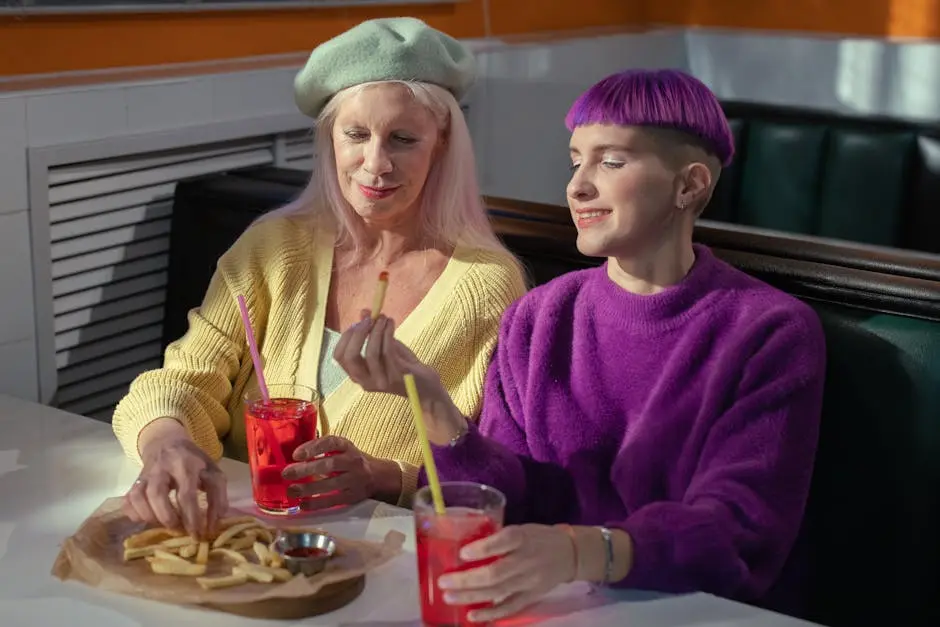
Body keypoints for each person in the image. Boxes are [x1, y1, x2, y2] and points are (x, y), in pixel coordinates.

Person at [335, 68, 827, 621]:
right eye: (575, 161)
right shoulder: (538, 317)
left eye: (610, 162)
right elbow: (507, 497)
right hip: (552, 608)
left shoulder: (770, 331)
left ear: (689, 185)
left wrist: (578, 550)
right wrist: (428, 399)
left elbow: (739, 531)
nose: (577, 186)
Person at [112, 17, 527, 539]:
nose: (375, 164)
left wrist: (384, 478)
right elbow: (183, 382)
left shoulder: (487, 286)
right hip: (245, 541)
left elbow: (498, 469)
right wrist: (168, 444)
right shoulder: (272, 249)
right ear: (329, 137)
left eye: (402, 139)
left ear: (440, 143)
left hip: (387, 563)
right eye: (355, 134)